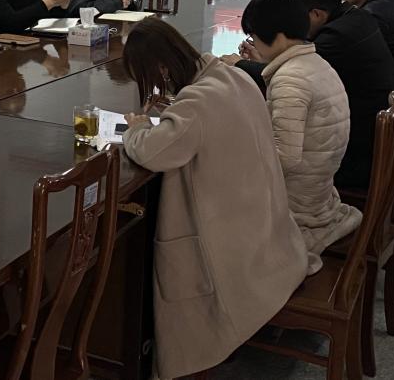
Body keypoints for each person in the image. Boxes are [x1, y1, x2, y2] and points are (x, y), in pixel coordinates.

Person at [120, 19, 307, 379]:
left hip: (232, 243)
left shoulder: (197, 102)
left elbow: (154, 152)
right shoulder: (233, 76)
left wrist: (137, 127)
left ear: (160, 68)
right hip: (266, 228)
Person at [229, 0, 394, 191]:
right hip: (331, 166)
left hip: (322, 182)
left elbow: (283, 160)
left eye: (254, 37)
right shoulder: (321, 55)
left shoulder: (325, 47)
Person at [239, 0, 361, 273]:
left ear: (279, 37)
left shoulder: (290, 80)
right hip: (318, 188)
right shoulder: (317, 63)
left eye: (255, 37)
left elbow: (284, 158)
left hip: (299, 203)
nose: (253, 43)